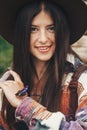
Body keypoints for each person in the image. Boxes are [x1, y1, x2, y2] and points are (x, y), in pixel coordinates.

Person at [0, 0, 87, 129]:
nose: (43, 39)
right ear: (21, 34)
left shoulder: (80, 79)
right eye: (33, 29)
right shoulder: (8, 82)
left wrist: (26, 106)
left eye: (51, 28)